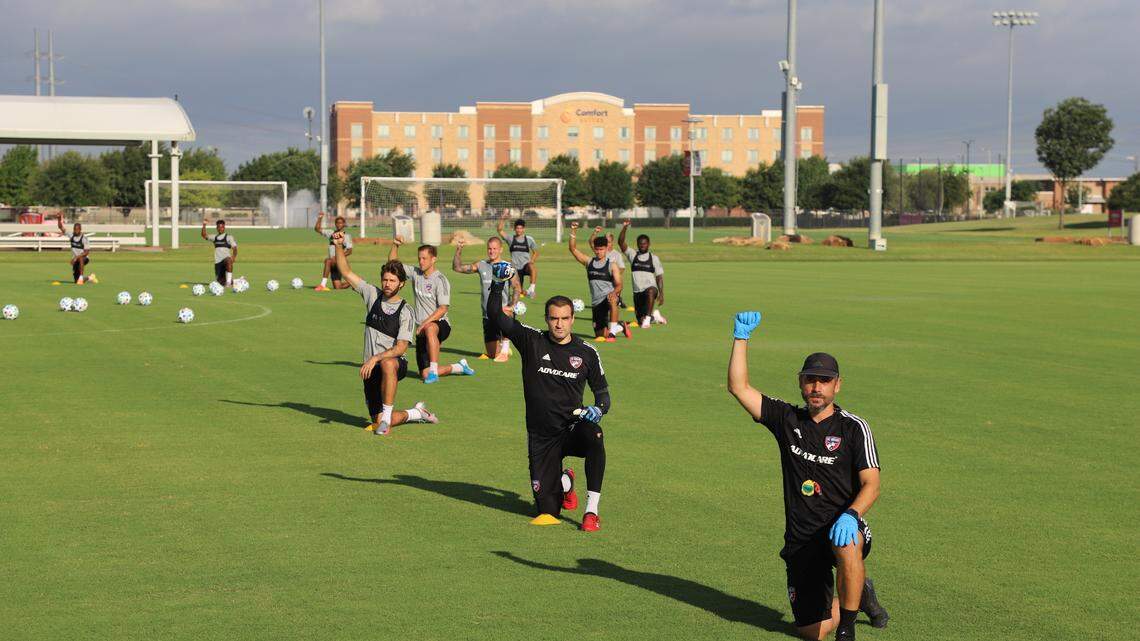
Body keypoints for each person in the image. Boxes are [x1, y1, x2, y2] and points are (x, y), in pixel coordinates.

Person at [727, 312, 889, 640]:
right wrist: (741, 339)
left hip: (844, 525)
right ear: (800, 382)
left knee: (846, 543)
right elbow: (738, 387)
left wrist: (851, 515)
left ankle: (846, 628)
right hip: (801, 539)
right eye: (810, 380)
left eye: (824, 381)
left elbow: (872, 483)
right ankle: (859, 594)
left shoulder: (853, 428)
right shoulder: (787, 418)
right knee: (809, 632)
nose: (816, 387)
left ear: (837, 384)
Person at [485, 262, 610, 531]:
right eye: (554, 318)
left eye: (565, 318)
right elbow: (496, 316)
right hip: (541, 437)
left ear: (573, 319)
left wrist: (598, 409)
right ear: (546, 319)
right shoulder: (532, 340)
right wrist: (497, 284)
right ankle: (565, 482)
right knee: (547, 511)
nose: (559, 324)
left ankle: (591, 511)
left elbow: (602, 394)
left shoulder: (587, 352)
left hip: (572, 428)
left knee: (595, 434)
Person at [331, 232, 437, 436]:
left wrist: (375, 358)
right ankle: (416, 413)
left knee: (388, 363)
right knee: (376, 420)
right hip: (371, 368)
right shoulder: (372, 295)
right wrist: (337, 245)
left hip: (395, 364)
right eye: (385, 280)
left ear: (401, 284)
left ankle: (386, 418)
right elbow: (345, 271)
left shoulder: (406, 311)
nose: (387, 284)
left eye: (392, 280)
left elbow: (401, 348)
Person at [389, 235, 476, 384]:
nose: (421, 262)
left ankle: (434, 371)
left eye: (424, 258)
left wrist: (423, 324)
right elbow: (392, 265)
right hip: (422, 331)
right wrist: (396, 245)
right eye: (419, 258)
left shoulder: (440, 280)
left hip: (440, 324)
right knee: (424, 374)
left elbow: (443, 308)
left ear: (433, 259)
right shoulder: (416, 274)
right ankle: (459, 367)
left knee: (429, 328)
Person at [451, 236, 523, 361]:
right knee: (492, 354)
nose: (492, 251)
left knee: (507, 314)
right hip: (487, 315)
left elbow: (517, 287)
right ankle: (500, 345)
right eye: (489, 248)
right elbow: (457, 268)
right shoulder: (481, 265)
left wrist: (512, 305)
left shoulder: (508, 266)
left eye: (495, 248)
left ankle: (505, 348)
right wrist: (458, 250)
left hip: (503, 311)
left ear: (500, 249)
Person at [568, 222, 630, 343]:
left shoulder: (612, 265)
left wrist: (614, 292)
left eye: (601, 249)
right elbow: (573, 249)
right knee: (600, 335)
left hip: (608, 298)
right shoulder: (588, 262)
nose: (599, 252)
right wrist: (574, 230)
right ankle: (621, 326)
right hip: (596, 303)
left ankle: (612, 332)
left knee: (613, 299)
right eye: (597, 249)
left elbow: (619, 284)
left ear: (607, 249)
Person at [618, 220, 666, 328]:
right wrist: (625, 227)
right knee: (640, 320)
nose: (642, 245)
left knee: (651, 290)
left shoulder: (654, 258)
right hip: (637, 293)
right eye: (640, 243)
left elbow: (659, 277)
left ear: (648, 244)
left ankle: (648, 320)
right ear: (637, 244)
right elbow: (621, 242)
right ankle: (654, 316)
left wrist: (661, 294)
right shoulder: (632, 255)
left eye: (644, 243)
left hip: (649, 291)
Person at [497, 214, 539, 299]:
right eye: (517, 228)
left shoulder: (529, 239)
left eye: (521, 228)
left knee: (532, 267)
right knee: (519, 291)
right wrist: (502, 219)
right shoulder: (510, 239)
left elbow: (536, 252)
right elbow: (500, 230)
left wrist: (532, 260)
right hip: (515, 268)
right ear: (514, 229)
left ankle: (532, 289)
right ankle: (524, 292)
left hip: (525, 267)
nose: (519, 230)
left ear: (524, 229)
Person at [314, 212, 353, 291]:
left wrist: (339, 257)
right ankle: (356, 282)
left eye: (341, 223)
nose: (339, 224)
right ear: (335, 224)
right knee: (338, 287)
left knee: (328, 261)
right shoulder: (331, 233)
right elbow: (317, 229)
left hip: (340, 262)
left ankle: (322, 285)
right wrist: (320, 217)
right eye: (337, 223)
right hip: (333, 263)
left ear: (344, 224)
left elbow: (349, 251)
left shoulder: (346, 236)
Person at [56, 218, 96, 285]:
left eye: (77, 229)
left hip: (84, 258)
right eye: (74, 229)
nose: (75, 231)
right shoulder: (71, 235)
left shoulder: (84, 239)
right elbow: (61, 227)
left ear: (80, 229)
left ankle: (81, 277)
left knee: (80, 258)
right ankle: (90, 277)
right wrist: (59, 219)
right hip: (75, 260)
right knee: (76, 281)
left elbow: (86, 252)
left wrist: (76, 257)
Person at [201, 219, 237, 287]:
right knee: (220, 283)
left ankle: (228, 283)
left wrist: (233, 257)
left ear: (224, 227)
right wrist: (204, 225)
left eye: (222, 227)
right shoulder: (214, 237)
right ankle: (235, 281)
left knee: (228, 260)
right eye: (219, 227)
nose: (220, 229)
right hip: (218, 263)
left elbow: (235, 248)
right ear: (216, 228)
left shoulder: (229, 237)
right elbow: (204, 235)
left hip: (226, 261)